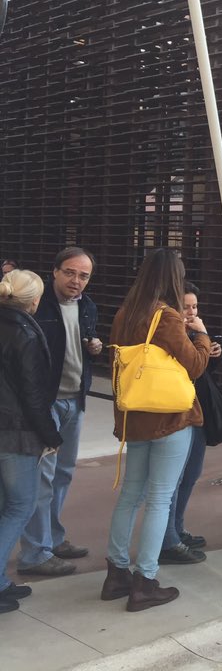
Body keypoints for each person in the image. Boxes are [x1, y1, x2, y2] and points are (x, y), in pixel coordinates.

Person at [103, 248, 211, 611]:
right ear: (174, 279)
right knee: (161, 497)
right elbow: (195, 366)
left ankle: (116, 573)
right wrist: (202, 336)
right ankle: (145, 580)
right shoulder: (166, 317)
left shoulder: (125, 313)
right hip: (169, 417)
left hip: (135, 415)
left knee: (130, 494)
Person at [18, 247, 102, 577]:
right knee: (43, 478)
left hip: (74, 402)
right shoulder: (38, 307)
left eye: (83, 275)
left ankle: (53, 537)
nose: (76, 280)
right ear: (54, 271)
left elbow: (81, 348)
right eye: (70, 272)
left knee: (64, 474)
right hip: (47, 403)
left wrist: (93, 347)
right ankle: (35, 553)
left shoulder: (88, 307)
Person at [1, 269, 63, 615]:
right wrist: (50, 436)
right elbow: (32, 394)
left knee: (5, 507)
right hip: (16, 433)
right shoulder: (25, 332)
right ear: (35, 301)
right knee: (19, 507)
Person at [158, 283, 222, 564]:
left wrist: (211, 352)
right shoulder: (171, 333)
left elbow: (201, 371)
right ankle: (167, 538)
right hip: (177, 411)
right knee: (172, 479)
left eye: (195, 307)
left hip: (197, 412)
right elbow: (187, 367)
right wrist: (203, 339)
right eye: (186, 306)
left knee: (192, 472)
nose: (191, 312)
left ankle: (177, 528)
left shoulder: (195, 334)